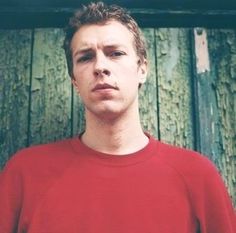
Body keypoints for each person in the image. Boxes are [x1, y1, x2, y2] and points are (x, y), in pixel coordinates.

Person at [0, 2, 235, 233]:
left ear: (142, 69)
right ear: (74, 81)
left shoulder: (197, 176)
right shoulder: (24, 174)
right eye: (85, 57)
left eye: (116, 53)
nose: (100, 66)